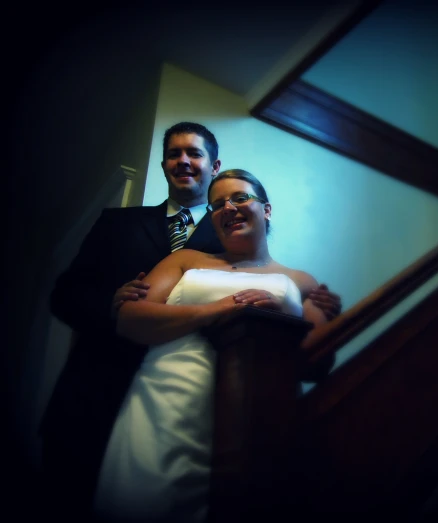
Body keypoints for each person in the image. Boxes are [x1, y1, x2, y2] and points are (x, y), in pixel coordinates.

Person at [40, 123, 341, 518]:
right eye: (174, 153)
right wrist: (115, 305)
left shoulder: (240, 241)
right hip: (109, 393)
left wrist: (311, 315)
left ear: (212, 165)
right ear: (164, 165)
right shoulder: (119, 225)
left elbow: (312, 358)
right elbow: (68, 296)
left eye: (194, 153)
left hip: (232, 405)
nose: (183, 161)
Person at [92, 168, 329, 521]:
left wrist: (280, 317)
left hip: (258, 416)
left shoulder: (301, 281)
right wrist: (224, 308)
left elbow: (318, 362)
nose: (227, 208)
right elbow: (129, 320)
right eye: (217, 204)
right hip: (168, 399)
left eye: (240, 198)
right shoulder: (184, 261)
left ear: (266, 209)